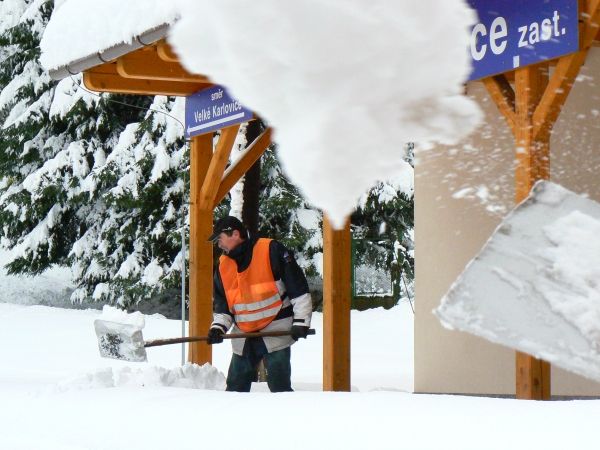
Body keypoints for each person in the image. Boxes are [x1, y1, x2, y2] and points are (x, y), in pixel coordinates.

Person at [206, 216, 312, 392]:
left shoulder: (271, 250)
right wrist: (218, 328)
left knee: (280, 388)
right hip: (244, 334)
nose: (219, 245)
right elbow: (224, 306)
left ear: (235, 234)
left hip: (276, 330)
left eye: (220, 239)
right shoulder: (223, 267)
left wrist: (301, 322)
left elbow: (298, 288)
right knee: (234, 387)